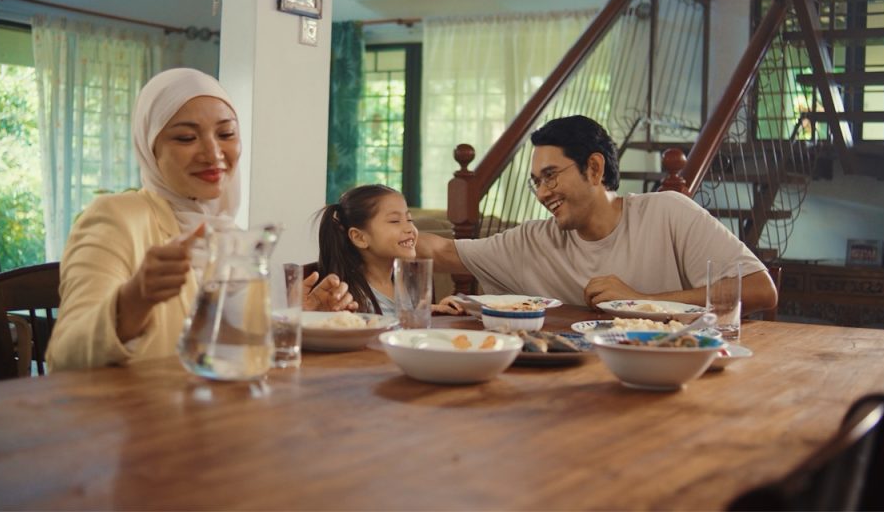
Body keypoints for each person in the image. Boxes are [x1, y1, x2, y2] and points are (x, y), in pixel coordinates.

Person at [48, 68, 354, 371]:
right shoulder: (116, 219)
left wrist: (301, 315)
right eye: (186, 137)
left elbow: (228, 349)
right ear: (150, 148)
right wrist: (136, 297)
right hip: (139, 401)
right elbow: (64, 356)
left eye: (226, 134)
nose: (213, 152)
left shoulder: (230, 235)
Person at [417, 115, 778, 315]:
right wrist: (387, 224)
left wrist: (639, 301)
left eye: (550, 176)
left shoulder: (668, 211)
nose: (542, 193)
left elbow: (760, 290)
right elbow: (441, 251)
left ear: (593, 168)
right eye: (536, 182)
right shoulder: (533, 241)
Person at [317, 184, 464, 316]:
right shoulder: (351, 300)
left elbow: (398, 320)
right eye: (395, 221)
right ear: (359, 237)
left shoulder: (403, 282)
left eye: (409, 219)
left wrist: (425, 310)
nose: (409, 228)